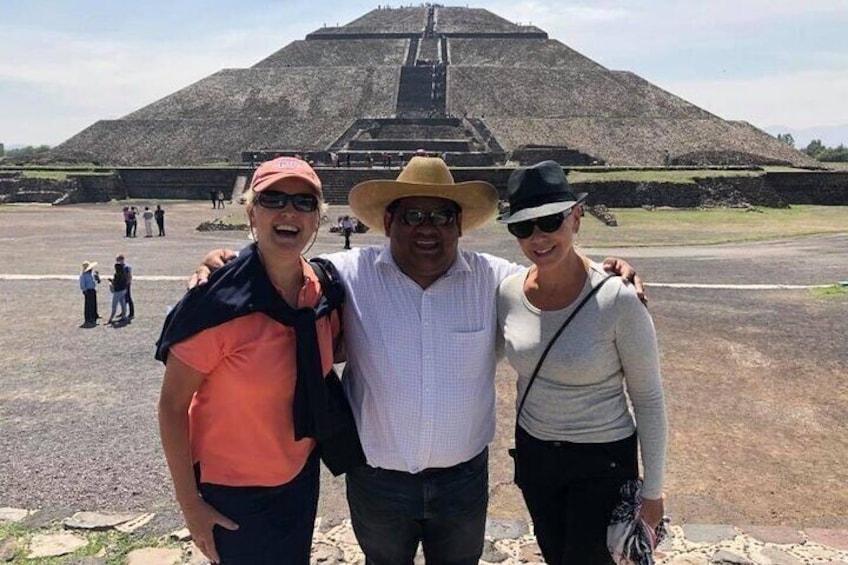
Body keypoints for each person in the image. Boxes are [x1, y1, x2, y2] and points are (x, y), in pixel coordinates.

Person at [192, 157, 643, 563]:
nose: (428, 228)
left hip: (462, 481)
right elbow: (282, 267)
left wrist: (606, 271)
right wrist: (225, 265)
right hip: (377, 481)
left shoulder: (495, 282)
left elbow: (555, 274)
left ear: (460, 225)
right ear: (388, 222)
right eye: (413, 215)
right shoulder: (350, 274)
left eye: (442, 216)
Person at [157, 157, 342, 564]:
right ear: (251, 211)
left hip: (300, 475)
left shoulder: (324, 290)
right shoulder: (216, 302)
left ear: (317, 219)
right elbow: (172, 407)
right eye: (272, 199)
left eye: (304, 202)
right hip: (234, 491)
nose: (289, 212)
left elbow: (336, 352)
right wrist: (190, 506)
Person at [496, 160, 667, 564]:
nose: (538, 237)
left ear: (576, 217)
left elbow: (648, 398)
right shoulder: (506, 292)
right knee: (556, 554)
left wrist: (653, 491)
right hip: (536, 455)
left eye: (551, 220)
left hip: (602, 460)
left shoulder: (617, 299)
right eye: (523, 227)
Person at [79, 261, 100, 326]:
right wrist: (84, 290)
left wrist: (97, 278)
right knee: (88, 305)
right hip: (88, 291)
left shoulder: (91, 274)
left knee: (94, 303)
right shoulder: (83, 276)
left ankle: (94, 315)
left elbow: (96, 281)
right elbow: (82, 284)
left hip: (92, 289)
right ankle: (88, 318)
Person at [116, 254, 135, 320]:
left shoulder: (126, 267)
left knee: (128, 298)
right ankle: (123, 312)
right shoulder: (119, 266)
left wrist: (127, 283)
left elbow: (129, 276)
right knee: (122, 298)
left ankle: (131, 313)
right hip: (122, 284)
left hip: (126, 284)